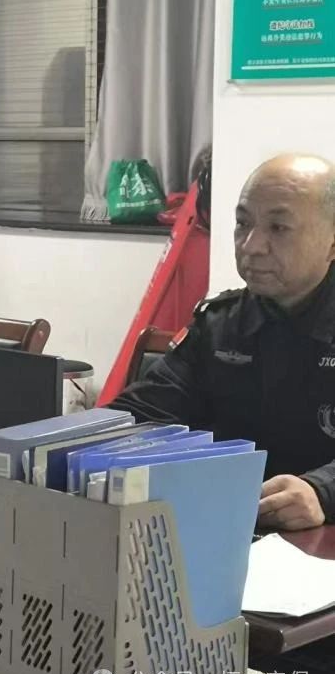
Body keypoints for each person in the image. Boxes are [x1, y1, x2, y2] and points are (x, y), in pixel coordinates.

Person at [111, 153, 335, 532]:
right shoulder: (221, 324)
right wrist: (71, 440)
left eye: (278, 228)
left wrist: (322, 492)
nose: (251, 245)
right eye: (242, 223)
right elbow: (146, 411)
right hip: (228, 528)